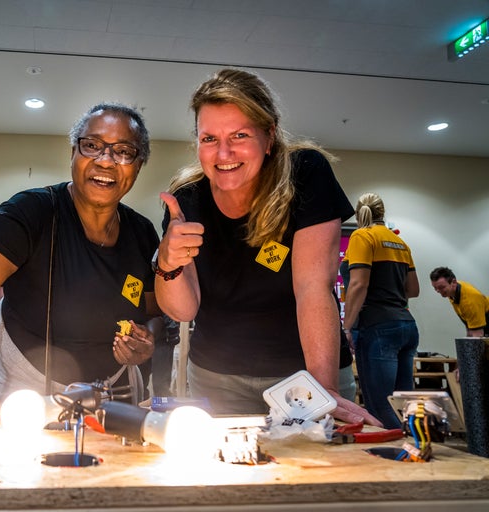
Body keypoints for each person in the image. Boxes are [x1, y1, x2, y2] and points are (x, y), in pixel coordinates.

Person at [0, 103, 163, 456]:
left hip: (115, 391)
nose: (105, 160)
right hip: (27, 387)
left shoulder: (142, 232)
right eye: (92, 145)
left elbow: (153, 311)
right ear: (73, 152)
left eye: (123, 152)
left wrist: (147, 340)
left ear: (138, 166)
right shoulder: (31, 213)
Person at [154, 68, 380, 426]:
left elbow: (312, 289)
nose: (223, 152)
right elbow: (183, 310)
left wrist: (324, 390)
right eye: (209, 138)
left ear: (269, 134)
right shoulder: (187, 199)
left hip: (302, 374)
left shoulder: (305, 172)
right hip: (216, 376)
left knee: (319, 475)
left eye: (240, 135)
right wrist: (167, 262)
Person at [342, 193, 420, 429]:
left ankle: (392, 459)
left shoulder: (362, 236)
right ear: (382, 213)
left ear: (358, 213)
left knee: (380, 405)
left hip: (376, 328)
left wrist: (346, 326)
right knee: (404, 402)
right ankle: (414, 450)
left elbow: (358, 284)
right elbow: (413, 289)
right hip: (407, 326)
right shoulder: (400, 243)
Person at [429, 266, 489, 337]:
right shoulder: (451, 291)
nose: (438, 291)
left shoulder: (469, 302)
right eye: (435, 288)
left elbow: (478, 335)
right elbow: (469, 326)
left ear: (453, 282)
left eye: (441, 287)